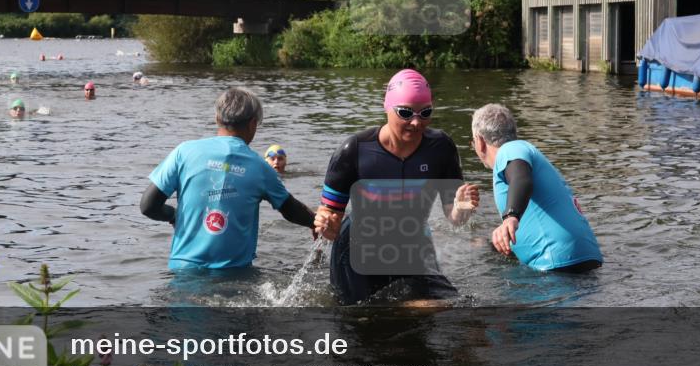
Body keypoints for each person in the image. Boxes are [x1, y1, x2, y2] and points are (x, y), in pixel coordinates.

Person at [314, 69, 480, 305]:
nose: (416, 122)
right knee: (363, 319)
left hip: (413, 243)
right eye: (405, 113)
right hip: (358, 248)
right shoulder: (355, 149)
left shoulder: (441, 148)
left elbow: (455, 218)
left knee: (449, 307)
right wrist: (326, 224)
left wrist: (463, 207)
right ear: (387, 108)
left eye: (425, 113)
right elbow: (330, 216)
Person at [140, 87, 315, 269]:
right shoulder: (260, 167)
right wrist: (316, 222)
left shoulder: (183, 152)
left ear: (217, 119)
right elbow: (291, 209)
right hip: (234, 274)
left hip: (183, 271)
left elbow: (148, 206)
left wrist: (173, 215)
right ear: (253, 124)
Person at [470, 104, 603, 272]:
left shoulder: (510, 149)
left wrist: (511, 216)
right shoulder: (525, 153)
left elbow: (521, 179)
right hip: (585, 259)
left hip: (556, 262)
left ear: (480, 141)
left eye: (473, 143)